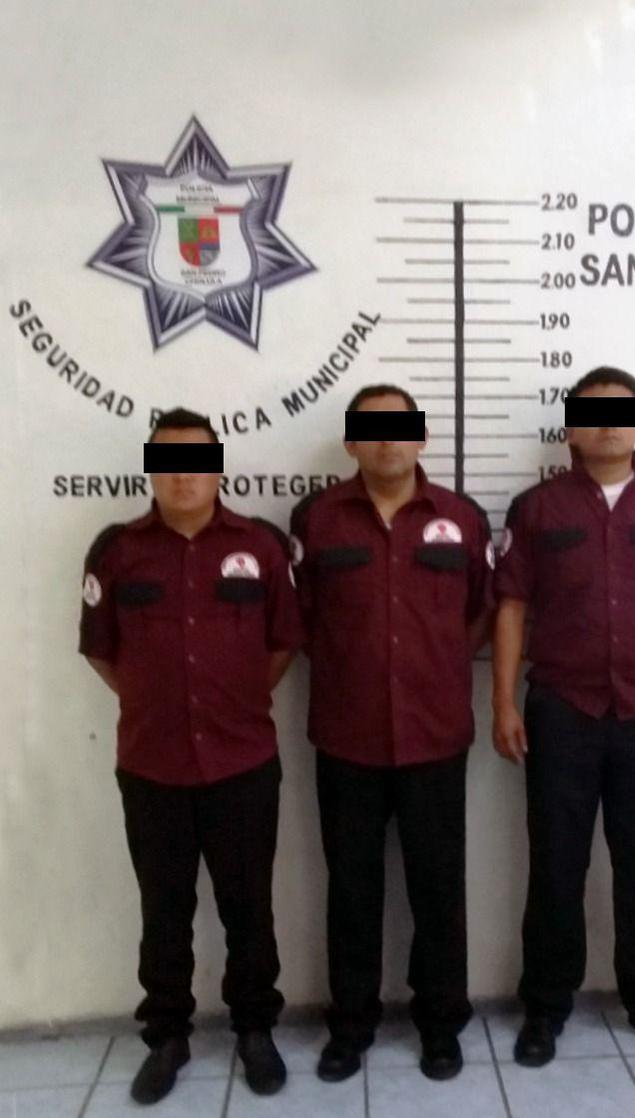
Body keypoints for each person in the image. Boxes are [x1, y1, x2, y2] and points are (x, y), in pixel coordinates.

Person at [492, 366, 635, 1066]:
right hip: (561, 711)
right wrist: (503, 701)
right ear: (571, 429)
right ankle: (545, 1007)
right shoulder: (537, 509)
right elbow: (511, 608)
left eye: (621, 412)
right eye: (592, 414)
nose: (607, 424)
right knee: (555, 867)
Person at [78, 408, 303, 1104]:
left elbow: (283, 642)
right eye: (169, 462)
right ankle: (167, 1037)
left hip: (243, 763)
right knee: (164, 910)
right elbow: (101, 650)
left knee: (249, 907)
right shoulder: (116, 552)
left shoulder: (261, 546)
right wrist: (157, 703)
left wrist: (234, 703)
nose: (184, 475)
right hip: (153, 766)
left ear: (218, 469)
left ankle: (254, 1030)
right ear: (152, 470)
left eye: (198, 461)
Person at [290, 384, 493, 1082]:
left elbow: (481, 613)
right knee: (352, 889)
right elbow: (300, 620)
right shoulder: (316, 518)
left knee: (439, 889)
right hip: (346, 736)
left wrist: (435, 667)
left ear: (421, 437)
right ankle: (350, 1026)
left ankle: (440, 1024)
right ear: (351, 442)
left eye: (400, 427)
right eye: (371, 429)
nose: (387, 440)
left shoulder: (461, 519)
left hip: (435, 735)